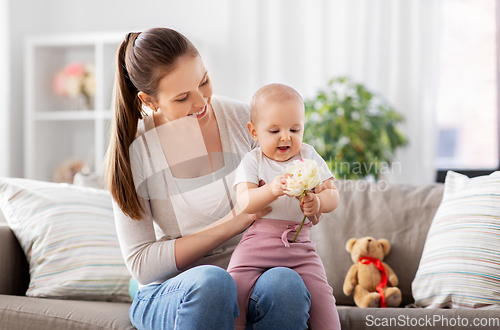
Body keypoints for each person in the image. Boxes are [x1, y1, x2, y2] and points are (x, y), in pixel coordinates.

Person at [105, 28, 312, 330]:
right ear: (149, 101)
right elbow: (142, 265)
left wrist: (309, 199)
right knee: (212, 283)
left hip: (250, 273)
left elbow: (294, 187)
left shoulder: (247, 123)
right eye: (182, 97)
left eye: (203, 81)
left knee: (286, 283)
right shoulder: (135, 151)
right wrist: (234, 221)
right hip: (177, 289)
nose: (202, 101)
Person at [227, 83, 341, 329]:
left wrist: (318, 202)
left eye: (295, 129)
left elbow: (333, 195)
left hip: (300, 248)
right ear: (254, 132)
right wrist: (271, 190)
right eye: (275, 130)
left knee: (324, 301)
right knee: (232, 291)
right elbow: (245, 201)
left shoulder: (309, 156)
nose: (286, 136)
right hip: (256, 248)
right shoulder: (253, 160)